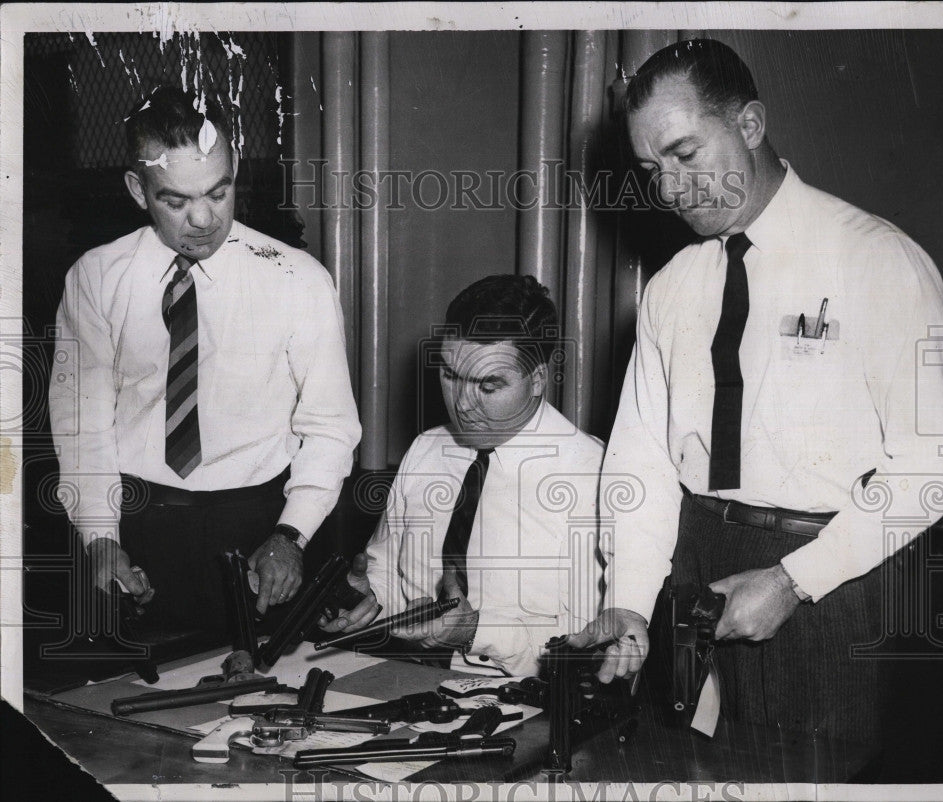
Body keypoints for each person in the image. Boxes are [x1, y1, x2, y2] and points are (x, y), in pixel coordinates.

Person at [568, 39, 943, 744]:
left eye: (685, 154)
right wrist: (630, 602)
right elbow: (641, 463)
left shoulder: (875, 259)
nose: (668, 189)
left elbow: (937, 467)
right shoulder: (672, 288)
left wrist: (792, 580)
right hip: (692, 575)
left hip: (834, 578)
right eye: (651, 168)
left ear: (750, 125)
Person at [48, 87, 361, 636]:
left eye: (219, 192)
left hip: (263, 528)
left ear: (235, 169)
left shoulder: (298, 278)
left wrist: (292, 535)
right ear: (137, 190)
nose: (202, 218)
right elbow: (82, 426)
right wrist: (100, 537)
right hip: (138, 525)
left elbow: (331, 429)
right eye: (174, 200)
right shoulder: (96, 278)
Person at [320, 275, 605, 676]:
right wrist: (366, 597)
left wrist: (473, 631)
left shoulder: (593, 477)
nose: (462, 405)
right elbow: (388, 571)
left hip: (535, 704)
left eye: (488, 385)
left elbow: (586, 652)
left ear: (538, 378)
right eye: (451, 376)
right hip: (414, 684)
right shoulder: (427, 450)